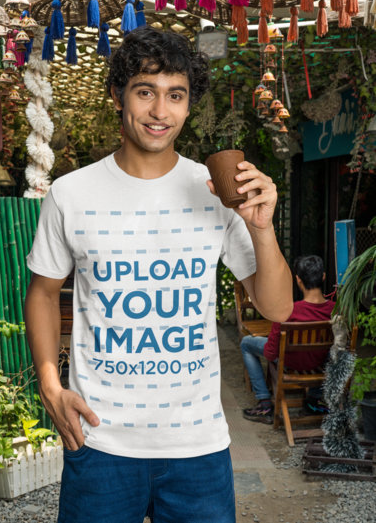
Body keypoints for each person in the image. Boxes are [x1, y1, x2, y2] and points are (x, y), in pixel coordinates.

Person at [24, 26, 293, 523]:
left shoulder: (216, 190)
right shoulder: (71, 193)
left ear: (189, 105)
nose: (159, 112)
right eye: (145, 92)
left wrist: (262, 228)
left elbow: (277, 309)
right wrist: (49, 383)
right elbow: (42, 291)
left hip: (198, 444)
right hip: (100, 440)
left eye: (176, 96)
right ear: (117, 96)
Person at [241, 255, 335, 425]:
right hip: (318, 365)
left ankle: (264, 403)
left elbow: (270, 353)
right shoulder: (335, 311)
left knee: (246, 343)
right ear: (323, 277)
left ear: (298, 280)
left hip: (290, 364)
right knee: (330, 353)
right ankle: (312, 402)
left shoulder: (287, 311)